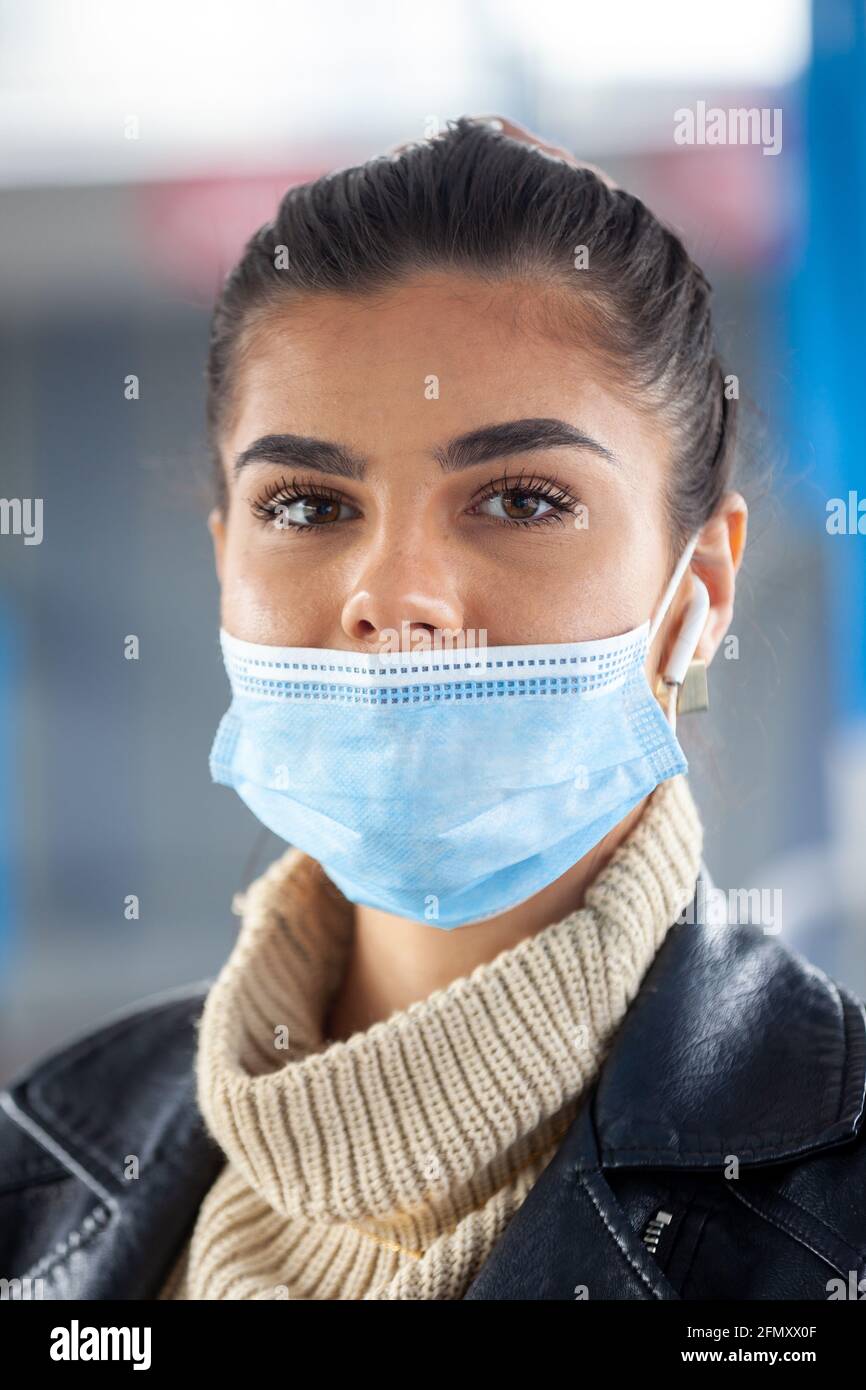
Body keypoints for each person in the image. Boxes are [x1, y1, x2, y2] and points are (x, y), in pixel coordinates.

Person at [1, 116, 864, 1303]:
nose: (393, 597)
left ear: (699, 593)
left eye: (518, 498)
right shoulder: (34, 1177)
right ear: (222, 564)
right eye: (306, 507)